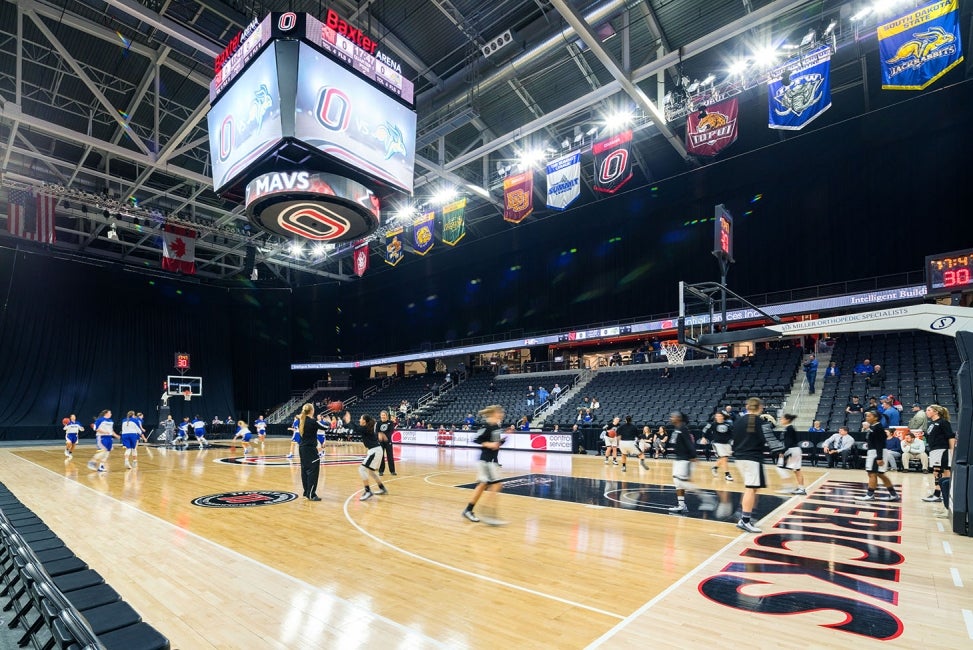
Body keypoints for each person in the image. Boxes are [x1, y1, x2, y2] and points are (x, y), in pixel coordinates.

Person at [731, 398, 771, 533]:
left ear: (747, 406)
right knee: (751, 488)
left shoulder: (737, 421)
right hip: (751, 457)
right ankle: (745, 520)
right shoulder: (760, 422)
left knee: (752, 488)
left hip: (740, 457)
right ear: (760, 407)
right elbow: (768, 440)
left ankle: (743, 513)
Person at [462, 405, 507, 524]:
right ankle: (489, 513)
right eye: (500, 413)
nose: (502, 415)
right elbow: (475, 438)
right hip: (487, 461)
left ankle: (469, 510)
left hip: (492, 461)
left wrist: (501, 442)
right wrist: (488, 444)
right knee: (496, 485)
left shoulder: (496, 426)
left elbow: (495, 443)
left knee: (483, 486)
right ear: (494, 414)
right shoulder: (487, 426)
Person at [667, 412, 714, 514]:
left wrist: (693, 457)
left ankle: (707, 498)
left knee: (682, 482)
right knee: (677, 483)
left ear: (678, 418)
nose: (671, 418)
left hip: (685, 459)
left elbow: (689, 443)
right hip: (678, 459)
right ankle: (681, 505)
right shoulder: (677, 428)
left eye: (673, 416)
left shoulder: (683, 428)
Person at [858, 411, 900, 502]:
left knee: (872, 473)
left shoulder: (878, 428)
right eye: (866, 416)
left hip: (876, 453)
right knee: (879, 474)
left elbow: (880, 443)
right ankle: (893, 494)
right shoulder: (873, 427)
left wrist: (879, 457)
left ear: (875, 418)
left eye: (869, 416)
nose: (867, 417)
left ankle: (870, 495)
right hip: (873, 452)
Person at [348, 411, 388, 501]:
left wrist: (349, 421)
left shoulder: (365, 428)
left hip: (375, 451)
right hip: (375, 450)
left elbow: (356, 428)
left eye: (361, 419)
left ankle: (368, 491)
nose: (359, 420)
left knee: (362, 469)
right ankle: (382, 488)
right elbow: (357, 428)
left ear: (364, 421)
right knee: (370, 471)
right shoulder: (366, 428)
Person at [922, 405, 955, 503]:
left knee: (941, 471)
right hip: (934, 450)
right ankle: (941, 493)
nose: (926, 412)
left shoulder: (943, 422)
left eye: (929, 410)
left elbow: (950, 436)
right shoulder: (931, 423)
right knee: (937, 471)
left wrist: (952, 450)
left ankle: (939, 494)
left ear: (936, 412)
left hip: (941, 449)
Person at [296, 404, 327, 501]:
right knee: (313, 470)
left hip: (302, 448)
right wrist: (328, 421)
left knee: (305, 470)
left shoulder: (300, 420)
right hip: (310, 449)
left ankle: (306, 492)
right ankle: (311, 494)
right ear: (312, 410)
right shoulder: (313, 421)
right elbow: (325, 427)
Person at [776, 414, 806, 496]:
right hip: (794, 450)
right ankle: (801, 488)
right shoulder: (789, 428)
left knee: (780, 468)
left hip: (792, 450)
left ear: (787, 420)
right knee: (796, 470)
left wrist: (782, 452)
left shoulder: (789, 428)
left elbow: (788, 443)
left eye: (782, 419)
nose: (780, 420)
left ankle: (788, 488)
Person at [703, 412, 733, 482]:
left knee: (724, 459)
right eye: (717, 416)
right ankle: (727, 475)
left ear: (723, 417)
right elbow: (705, 430)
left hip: (726, 443)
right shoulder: (712, 424)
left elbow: (731, 433)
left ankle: (715, 467)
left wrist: (732, 440)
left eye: (720, 416)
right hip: (717, 443)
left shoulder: (728, 424)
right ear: (715, 417)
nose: (718, 417)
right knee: (724, 458)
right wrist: (703, 437)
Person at [377, 410, 397, 476]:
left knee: (390, 456)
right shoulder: (378, 423)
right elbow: (376, 432)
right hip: (380, 442)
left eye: (384, 415)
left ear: (386, 416)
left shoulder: (390, 423)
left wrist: (383, 436)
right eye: (382, 415)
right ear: (380, 416)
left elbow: (390, 432)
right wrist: (379, 437)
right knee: (381, 457)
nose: (383, 416)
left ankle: (392, 471)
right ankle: (381, 471)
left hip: (388, 442)